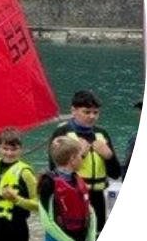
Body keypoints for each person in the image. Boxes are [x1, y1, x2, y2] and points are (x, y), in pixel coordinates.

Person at [49, 89, 120, 232]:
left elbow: (115, 174)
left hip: (97, 197)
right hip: (72, 195)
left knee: (96, 235)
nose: (92, 116)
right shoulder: (62, 133)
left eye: (96, 112)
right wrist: (80, 156)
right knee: (75, 234)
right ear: (73, 111)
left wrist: (109, 157)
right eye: (87, 112)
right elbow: (53, 171)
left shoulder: (102, 134)